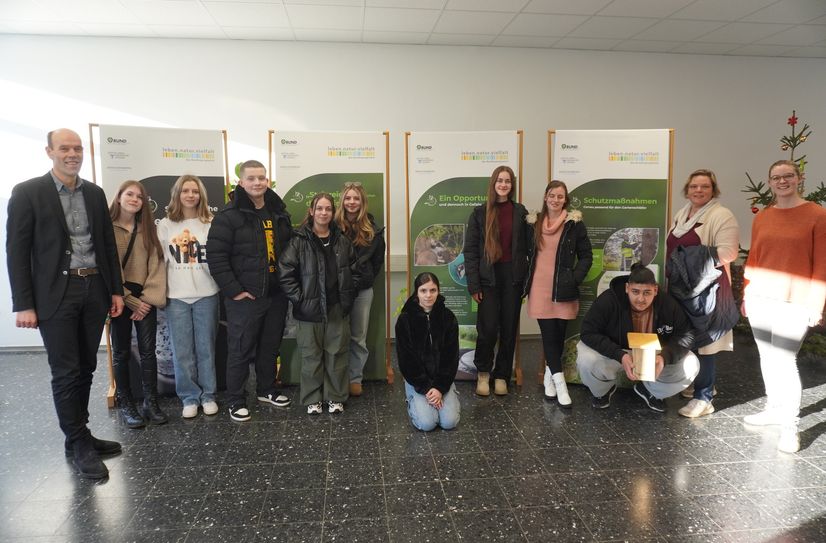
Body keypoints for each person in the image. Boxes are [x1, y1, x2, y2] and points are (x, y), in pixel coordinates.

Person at [6, 128, 124, 479]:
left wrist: (115, 290)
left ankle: (79, 435)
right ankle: (78, 443)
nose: (72, 153)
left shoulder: (94, 192)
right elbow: (16, 252)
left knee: (87, 366)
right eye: (64, 148)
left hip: (95, 288)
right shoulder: (28, 193)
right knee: (66, 371)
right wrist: (23, 304)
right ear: (49, 152)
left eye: (77, 148)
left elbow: (105, 245)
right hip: (55, 294)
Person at [742, 160, 826, 453]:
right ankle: (774, 409)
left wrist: (816, 303)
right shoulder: (763, 217)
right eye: (776, 177)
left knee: (785, 360)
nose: (782, 181)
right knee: (767, 356)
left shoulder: (816, 215)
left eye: (788, 176)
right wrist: (746, 294)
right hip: (760, 299)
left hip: (796, 301)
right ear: (770, 182)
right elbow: (754, 257)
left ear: (799, 178)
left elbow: (822, 264)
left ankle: (790, 426)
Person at [207, 160, 293, 422]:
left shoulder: (278, 212)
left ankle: (266, 390)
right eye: (252, 178)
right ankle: (235, 399)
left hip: (275, 294)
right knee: (240, 349)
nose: (257, 183)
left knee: (270, 346)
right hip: (245, 297)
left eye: (262, 178)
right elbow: (216, 257)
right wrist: (234, 291)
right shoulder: (228, 216)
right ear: (241, 183)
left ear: (268, 181)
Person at [666, 169, 739, 418]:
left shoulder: (721, 215)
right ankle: (696, 382)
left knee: (706, 342)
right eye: (694, 186)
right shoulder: (682, 214)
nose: (698, 190)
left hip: (708, 290)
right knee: (688, 338)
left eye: (704, 187)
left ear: (713, 190)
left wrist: (687, 259)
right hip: (682, 289)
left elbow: (728, 252)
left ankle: (704, 397)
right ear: (687, 189)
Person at [576, 263, 699, 411]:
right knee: (586, 359)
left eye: (647, 293)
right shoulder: (609, 299)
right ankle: (602, 391)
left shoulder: (667, 304)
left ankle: (649, 391)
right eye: (635, 292)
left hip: (653, 355)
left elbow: (686, 334)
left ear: (655, 290)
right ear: (627, 288)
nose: (641, 299)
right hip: (616, 351)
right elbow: (588, 332)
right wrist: (619, 355)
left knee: (691, 363)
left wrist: (664, 358)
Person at [279, 193, 358, 415]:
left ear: (333, 213)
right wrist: (300, 299)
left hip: (336, 308)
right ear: (312, 211)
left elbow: (354, 270)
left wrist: (347, 297)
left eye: (328, 209)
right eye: (320, 208)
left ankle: (335, 397)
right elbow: (285, 272)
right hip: (308, 311)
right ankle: (312, 398)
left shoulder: (342, 240)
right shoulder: (298, 240)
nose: (324, 213)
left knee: (337, 355)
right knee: (311, 356)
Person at [463, 165, 530, 396]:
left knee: (509, 328)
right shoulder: (480, 213)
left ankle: (501, 375)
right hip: (487, 279)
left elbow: (530, 247)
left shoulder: (520, 212)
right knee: (488, 329)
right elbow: (470, 252)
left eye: (508, 181)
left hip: (513, 279)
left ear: (512, 185)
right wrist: (474, 285)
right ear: (493, 184)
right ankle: (483, 373)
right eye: (500, 180)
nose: (504, 184)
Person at [157, 175, 220, 419]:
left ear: (201, 195)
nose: (191, 195)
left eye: (195, 191)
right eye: (186, 191)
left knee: (206, 349)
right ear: (178, 194)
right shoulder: (165, 225)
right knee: (182, 351)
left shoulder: (211, 223)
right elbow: (159, 262)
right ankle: (189, 397)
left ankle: (209, 395)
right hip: (177, 298)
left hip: (207, 294)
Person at [525, 181, 592, 407]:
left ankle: (549, 378)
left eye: (560, 196)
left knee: (559, 338)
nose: (555, 200)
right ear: (545, 197)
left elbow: (586, 256)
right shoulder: (533, 224)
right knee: (548, 337)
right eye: (552, 195)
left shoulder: (574, 224)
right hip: (539, 287)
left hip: (564, 288)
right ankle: (561, 385)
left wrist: (574, 278)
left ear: (565, 200)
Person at [109, 180, 168, 428]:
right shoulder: (107, 230)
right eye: (129, 194)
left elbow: (156, 265)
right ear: (119, 197)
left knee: (147, 353)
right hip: (119, 300)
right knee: (121, 353)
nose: (134, 199)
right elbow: (108, 268)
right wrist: (129, 300)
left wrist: (146, 300)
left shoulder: (147, 231)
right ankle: (126, 404)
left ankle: (150, 402)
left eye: (139, 196)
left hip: (145, 299)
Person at [334, 182, 385, 397]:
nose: (352, 202)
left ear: (362, 202)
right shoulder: (332, 226)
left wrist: (364, 279)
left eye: (356, 198)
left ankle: (355, 378)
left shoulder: (373, 230)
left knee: (358, 337)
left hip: (362, 291)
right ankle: (335, 379)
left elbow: (377, 263)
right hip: (335, 289)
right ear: (342, 201)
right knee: (335, 336)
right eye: (348, 198)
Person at [396, 272, 460, 431]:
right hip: (418, 380)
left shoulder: (449, 318)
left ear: (438, 292)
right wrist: (425, 387)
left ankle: (447, 395)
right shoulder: (405, 320)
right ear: (416, 293)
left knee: (449, 422)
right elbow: (407, 361)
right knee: (427, 424)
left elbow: (451, 357)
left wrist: (439, 387)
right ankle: (412, 399)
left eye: (433, 290)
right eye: (423, 290)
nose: (428, 295)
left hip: (442, 379)